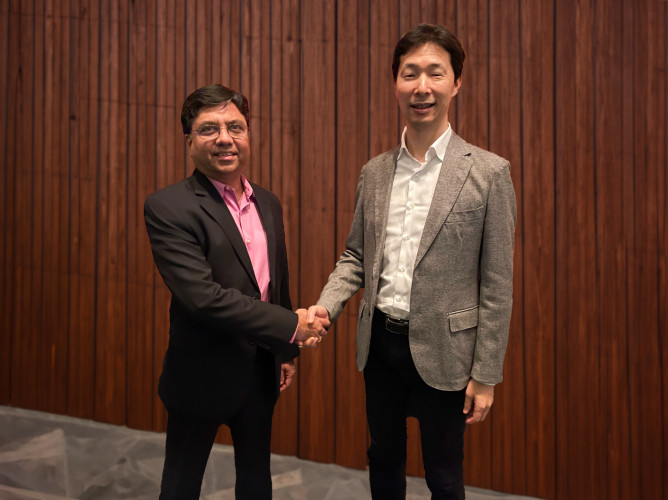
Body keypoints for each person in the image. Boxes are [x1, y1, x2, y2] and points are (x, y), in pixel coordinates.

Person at [307, 24, 516, 499]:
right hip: (380, 346)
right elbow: (355, 256)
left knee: (444, 476)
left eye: (435, 74)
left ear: (456, 83)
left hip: (448, 352)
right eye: (410, 73)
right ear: (395, 83)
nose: (422, 87)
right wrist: (327, 305)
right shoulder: (375, 172)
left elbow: (497, 284)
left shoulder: (489, 173)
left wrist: (486, 376)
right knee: (383, 460)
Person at [144, 84, 328, 500]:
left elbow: (274, 281)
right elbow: (203, 297)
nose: (225, 138)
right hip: (200, 375)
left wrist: (285, 351)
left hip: (260, 371)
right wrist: (292, 325)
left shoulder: (268, 202)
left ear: (248, 135)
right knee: (181, 486)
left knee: (256, 480)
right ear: (189, 141)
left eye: (235, 127)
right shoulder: (168, 207)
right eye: (209, 128)